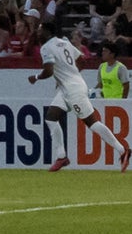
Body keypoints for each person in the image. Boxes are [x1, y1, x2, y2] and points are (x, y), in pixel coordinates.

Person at [29, 23, 130, 171]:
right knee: (51, 117)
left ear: (47, 31)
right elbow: (82, 60)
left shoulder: (46, 48)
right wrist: (69, 76)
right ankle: (61, 156)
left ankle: (123, 150)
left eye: (40, 30)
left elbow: (48, 71)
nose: (38, 33)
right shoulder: (64, 42)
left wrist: (36, 77)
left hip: (73, 90)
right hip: (70, 87)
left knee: (92, 123)